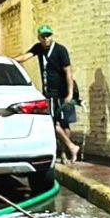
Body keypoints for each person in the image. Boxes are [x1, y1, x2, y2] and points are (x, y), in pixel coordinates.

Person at [17, 25, 82, 161]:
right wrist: (9, 59)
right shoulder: (38, 48)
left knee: (64, 123)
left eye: (48, 35)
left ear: (51, 36)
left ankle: (65, 152)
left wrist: (70, 94)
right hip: (49, 93)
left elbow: (68, 72)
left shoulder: (60, 50)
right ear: (39, 38)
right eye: (43, 36)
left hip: (62, 92)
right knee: (51, 122)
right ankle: (70, 147)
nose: (46, 39)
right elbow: (25, 56)